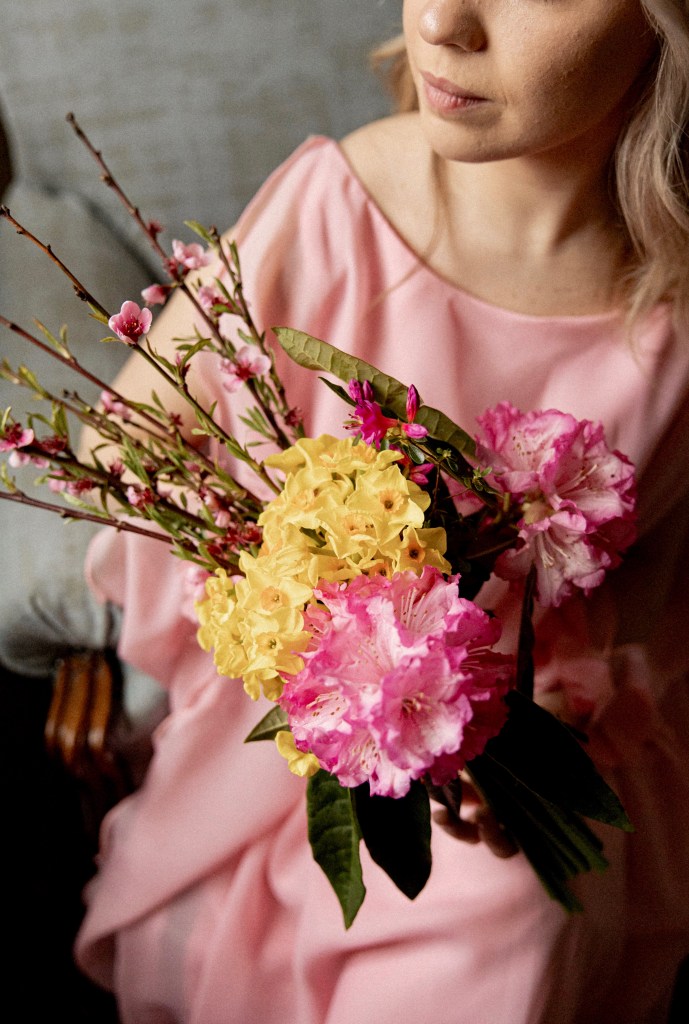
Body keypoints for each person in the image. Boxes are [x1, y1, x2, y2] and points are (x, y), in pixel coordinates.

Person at [71, 2, 689, 1021]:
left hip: (524, 757)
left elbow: (653, 604)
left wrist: (555, 717)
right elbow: (124, 447)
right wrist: (301, 594)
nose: (441, 18)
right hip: (299, 753)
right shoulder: (340, 205)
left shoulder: (669, 313)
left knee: (509, 905)